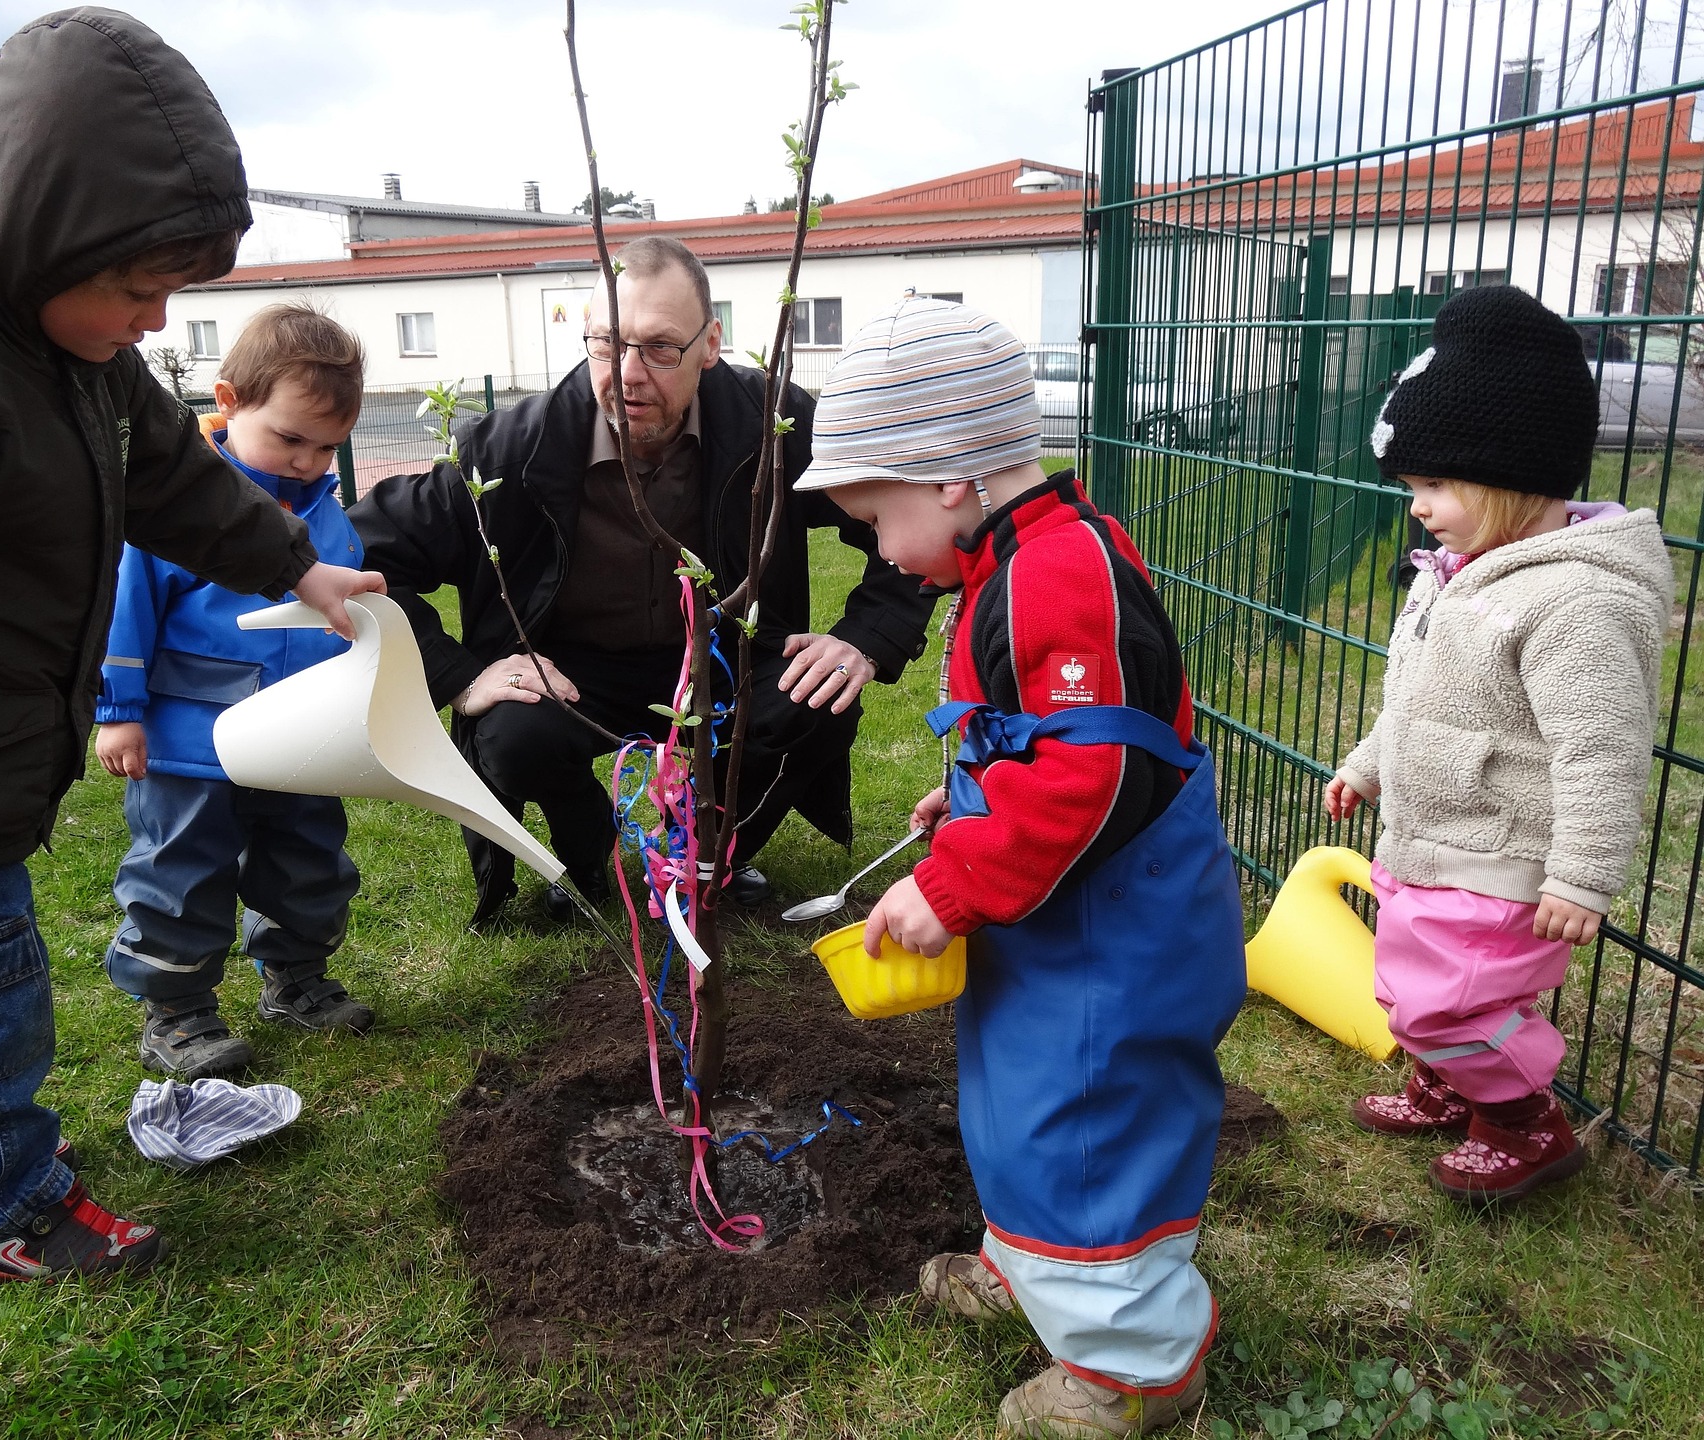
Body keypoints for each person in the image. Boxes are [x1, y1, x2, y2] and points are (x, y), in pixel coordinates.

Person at [0, 9, 382, 1283]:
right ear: (34, 232)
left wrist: (296, 564)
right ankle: (1, 1208)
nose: (157, 318)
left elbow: (180, 481)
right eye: (137, 287)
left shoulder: (83, 358)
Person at [803, 299, 1245, 1438]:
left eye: (877, 517)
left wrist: (950, 881)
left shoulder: (1052, 576)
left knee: (1088, 1125)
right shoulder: (1021, 556)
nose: (879, 550)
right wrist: (965, 797)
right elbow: (1049, 744)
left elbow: (1091, 778)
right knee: (1023, 1105)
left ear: (950, 480)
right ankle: (1036, 1265)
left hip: (1113, 935)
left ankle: (1131, 1366)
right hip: (1058, 914)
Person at [351, 237, 937, 925]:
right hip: (573, 672)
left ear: (710, 344)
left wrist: (867, 636)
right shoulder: (510, 450)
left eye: (660, 348)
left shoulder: (772, 428)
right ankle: (590, 850)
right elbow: (356, 555)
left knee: (814, 699)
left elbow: (909, 513)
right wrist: (458, 674)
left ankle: (709, 851)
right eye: (607, 344)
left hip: (722, 663)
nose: (628, 373)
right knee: (513, 736)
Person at [1327, 284, 1673, 1203]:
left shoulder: (1574, 603)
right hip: (1435, 840)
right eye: (1413, 488)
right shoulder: (1458, 575)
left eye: (1436, 486)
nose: (1417, 509)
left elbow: (1602, 748)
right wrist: (1368, 763)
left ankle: (1527, 1125)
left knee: (1455, 1002)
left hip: (1504, 855)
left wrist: (1581, 875)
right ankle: (1447, 1082)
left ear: (1512, 474)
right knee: (1412, 987)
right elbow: (1418, 698)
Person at [96, 303, 374, 1080]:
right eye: (290, 438)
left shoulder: (328, 517)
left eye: (327, 448)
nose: (309, 462)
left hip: (299, 744)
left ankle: (297, 979)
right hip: (192, 746)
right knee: (181, 874)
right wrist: (118, 715)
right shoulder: (177, 513)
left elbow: (344, 622)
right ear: (227, 400)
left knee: (309, 861)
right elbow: (124, 614)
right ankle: (177, 1013)